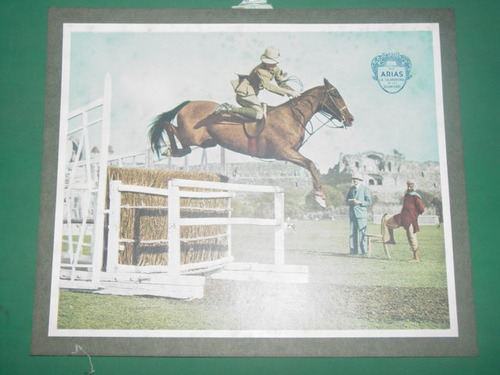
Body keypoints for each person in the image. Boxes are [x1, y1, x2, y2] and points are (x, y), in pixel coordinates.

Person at [214, 46, 300, 121]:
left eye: (274, 63)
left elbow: (281, 82)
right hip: (245, 94)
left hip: (253, 93)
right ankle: (228, 108)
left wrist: (293, 92)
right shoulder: (260, 71)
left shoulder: (275, 68)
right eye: (270, 63)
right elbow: (268, 86)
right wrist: (288, 92)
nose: (273, 65)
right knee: (259, 115)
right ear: (265, 62)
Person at [385, 181, 425, 262]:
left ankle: (416, 258)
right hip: (402, 217)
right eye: (408, 186)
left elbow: (422, 209)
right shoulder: (407, 195)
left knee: (411, 237)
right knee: (388, 222)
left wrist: (414, 214)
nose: (409, 188)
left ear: (415, 187)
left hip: (411, 219)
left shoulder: (416, 196)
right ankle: (392, 239)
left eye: (411, 186)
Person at [346, 174, 372, 255]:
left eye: (357, 179)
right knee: (352, 233)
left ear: (360, 180)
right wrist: (350, 201)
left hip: (361, 214)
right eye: (354, 179)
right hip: (353, 214)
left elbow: (369, 202)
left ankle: (364, 251)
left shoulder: (365, 189)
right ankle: (353, 251)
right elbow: (346, 200)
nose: (355, 181)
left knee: (362, 233)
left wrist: (360, 202)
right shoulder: (351, 189)